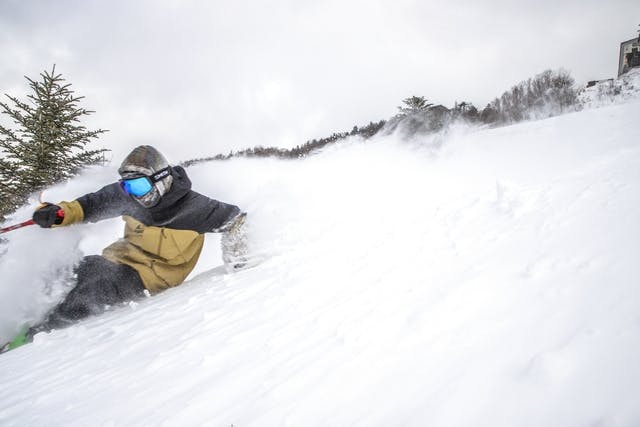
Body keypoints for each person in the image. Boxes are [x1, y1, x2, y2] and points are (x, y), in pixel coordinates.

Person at [11, 145, 248, 344]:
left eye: (140, 186)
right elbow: (89, 205)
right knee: (68, 270)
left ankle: (38, 337)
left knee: (94, 288)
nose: (135, 194)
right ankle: (20, 323)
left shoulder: (195, 208)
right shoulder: (127, 196)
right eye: (128, 186)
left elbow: (236, 220)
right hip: (118, 259)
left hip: (152, 276)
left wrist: (238, 262)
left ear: (162, 180)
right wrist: (59, 214)